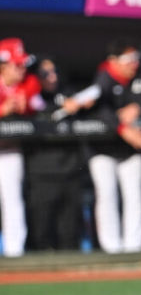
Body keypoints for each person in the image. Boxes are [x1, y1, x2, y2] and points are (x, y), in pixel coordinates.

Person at [80, 39, 141, 254]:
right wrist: (123, 127)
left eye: (135, 58)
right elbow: (98, 109)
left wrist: (138, 106)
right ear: (114, 61)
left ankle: (134, 247)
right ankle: (111, 249)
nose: (133, 63)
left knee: (134, 195)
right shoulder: (103, 77)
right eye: (128, 59)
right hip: (102, 149)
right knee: (106, 195)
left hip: (130, 151)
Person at [24, 58, 86, 251]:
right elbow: (33, 110)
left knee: (69, 232)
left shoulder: (68, 94)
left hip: (70, 172)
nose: (52, 77)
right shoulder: (30, 97)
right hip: (41, 174)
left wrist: (81, 105)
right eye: (45, 74)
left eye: (55, 71)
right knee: (41, 232)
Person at [0, 38, 41, 257]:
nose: (22, 69)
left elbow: (34, 88)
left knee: (12, 199)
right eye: (17, 65)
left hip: (8, 150)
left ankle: (14, 252)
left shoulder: (28, 82)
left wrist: (24, 100)